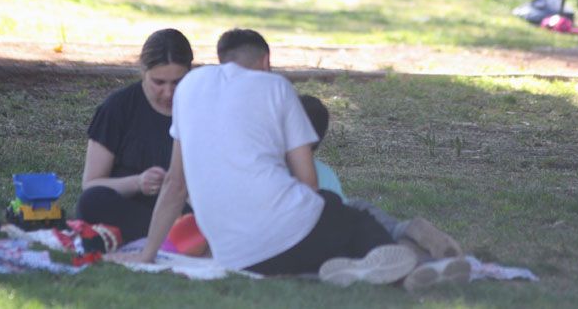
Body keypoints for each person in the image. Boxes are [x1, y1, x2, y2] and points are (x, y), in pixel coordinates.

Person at [138, 29, 419, 286]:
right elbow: (308, 181)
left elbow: (175, 184)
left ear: (222, 59)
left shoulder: (188, 88)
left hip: (234, 257)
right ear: (265, 61)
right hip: (287, 239)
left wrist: (147, 254)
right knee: (350, 216)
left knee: (325, 223)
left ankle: (349, 265)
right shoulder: (275, 86)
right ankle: (403, 271)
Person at [299, 94, 469, 291]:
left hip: (337, 228)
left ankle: (414, 261)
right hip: (354, 218)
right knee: (379, 223)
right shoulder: (324, 171)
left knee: (374, 239)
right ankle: (416, 236)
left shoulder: (281, 168)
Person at [76, 28, 193, 243]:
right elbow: (91, 184)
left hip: (183, 206)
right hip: (132, 205)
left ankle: (177, 233)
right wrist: (139, 183)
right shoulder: (118, 107)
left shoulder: (200, 108)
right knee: (91, 201)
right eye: (159, 82)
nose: (168, 93)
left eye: (177, 82)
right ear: (143, 71)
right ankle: (173, 235)